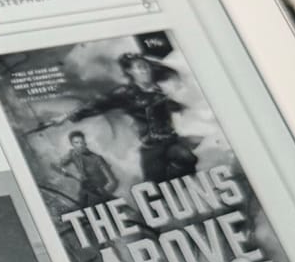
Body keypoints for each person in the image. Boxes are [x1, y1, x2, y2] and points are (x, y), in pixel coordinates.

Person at [64, 53, 199, 183]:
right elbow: (99, 104)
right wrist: (72, 115)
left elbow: (168, 102)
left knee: (187, 158)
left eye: (146, 67)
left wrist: (181, 106)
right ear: (130, 71)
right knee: (155, 187)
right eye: (140, 67)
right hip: (152, 148)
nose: (145, 71)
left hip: (171, 142)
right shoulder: (126, 93)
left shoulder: (159, 92)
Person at [57, 129, 120, 208]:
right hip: (85, 190)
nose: (80, 145)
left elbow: (112, 182)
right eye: (76, 143)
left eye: (81, 142)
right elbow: (59, 164)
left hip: (99, 192)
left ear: (85, 143)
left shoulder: (97, 159)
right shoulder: (73, 154)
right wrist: (66, 172)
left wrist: (103, 193)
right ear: (72, 144)